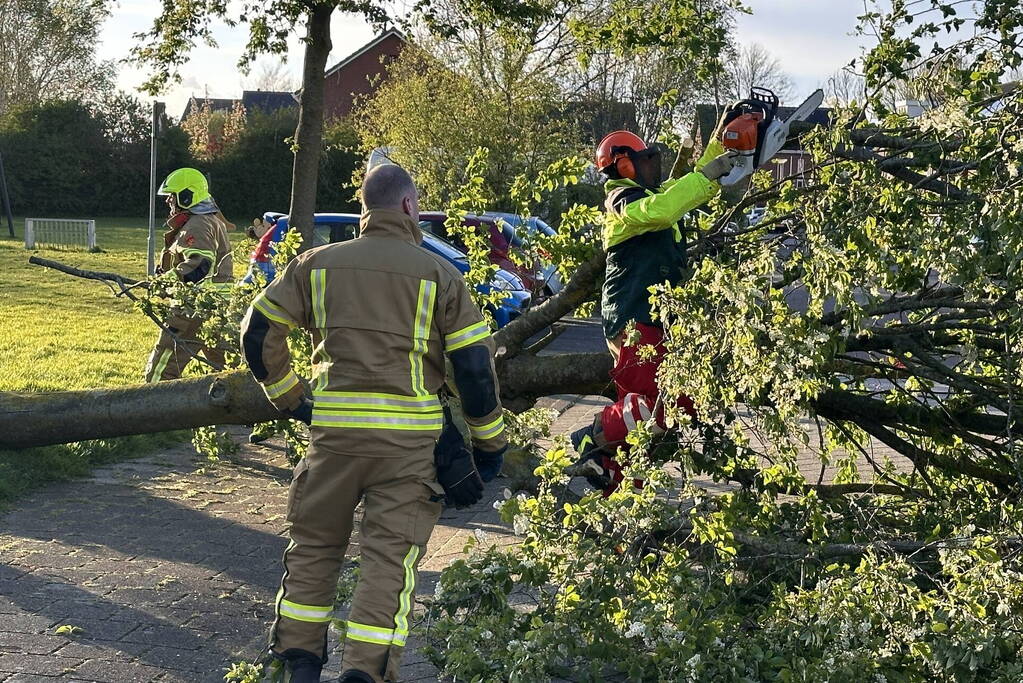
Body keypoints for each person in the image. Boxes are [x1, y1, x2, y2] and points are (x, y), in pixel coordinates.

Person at [239, 163, 507, 683]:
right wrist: (489, 444)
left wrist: (291, 398)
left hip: (333, 441)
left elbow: (257, 331)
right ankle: (363, 672)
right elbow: (475, 369)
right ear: (410, 207)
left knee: (314, 549)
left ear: (364, 209)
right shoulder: (441, 276)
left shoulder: (314, 265)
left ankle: (299, 664)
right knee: (388, 564)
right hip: (408, 452)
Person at [570, 127, 737, 494]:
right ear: (624, 165)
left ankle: (620, 490)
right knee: (655, 406)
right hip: (633, 318)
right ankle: (593, 434)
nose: (651, 168)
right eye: (644, 160)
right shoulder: (621, 201)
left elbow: (677, 194)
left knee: (675, 403)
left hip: (655, 319)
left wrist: (722, 145)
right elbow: (664, 210)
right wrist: (707, 174)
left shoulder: (648, 197)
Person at [143, 167, 234, 382]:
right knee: (224, 370)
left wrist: (163, 282)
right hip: (217, 306)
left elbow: (200, 265)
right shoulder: (210, 221)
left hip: (192, 307)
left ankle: (151, 405)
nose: (168, 202)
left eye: (172, 197)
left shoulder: (198, 224)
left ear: (186, 197)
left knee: (163, 365)